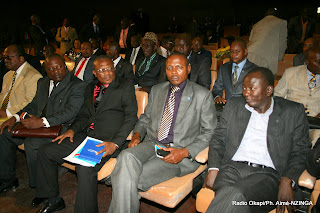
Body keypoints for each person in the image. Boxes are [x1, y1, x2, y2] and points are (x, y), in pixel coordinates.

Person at [108, 53, 217, 213]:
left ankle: (114, 177)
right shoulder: (158, 90)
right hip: (152, 143)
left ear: (188, 69)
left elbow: (210, 132)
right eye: (169, 68)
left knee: (126, 178)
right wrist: (137, 134)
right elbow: (145, 118)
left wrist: (185, 152)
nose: (174, 72)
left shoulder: (202, 95)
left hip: (177, 152)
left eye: (179, 67)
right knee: (126, 156)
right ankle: (116, 177)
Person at [34, 55, 137, 213]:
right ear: (94, 73)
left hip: (109, 140)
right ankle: (53, 199)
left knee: (84, 168)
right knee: (46, 151)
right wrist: (72, 130)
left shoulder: (125, 86)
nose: (107, 73)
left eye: (110, 68)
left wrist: (115, 143)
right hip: (86, 135)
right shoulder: (90, 87)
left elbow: (131, 117)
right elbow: (84, 115)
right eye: (102, 70)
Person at [204, 67, 310, 213]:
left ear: (268, 90)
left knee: (234, 196)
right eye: (244, 88)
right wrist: (213, 168)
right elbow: (218, 139)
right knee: (233, 199)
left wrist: (288, 178)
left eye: (252, 89)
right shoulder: (234, 105)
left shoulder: (292, 111)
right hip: (231, 169)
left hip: (267, 175)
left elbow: (301, 150)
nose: (246, 93)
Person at [0, 54, 86, 194]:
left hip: (61, 127)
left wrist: (42, 122)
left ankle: (40, 187)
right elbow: (33, 105)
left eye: (59, 67)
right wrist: (15, 117)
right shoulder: (43, 82)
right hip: (39, 125)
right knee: (4, 132)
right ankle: (7, 179)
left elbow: (70, 112)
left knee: (32, 144)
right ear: (46, 70)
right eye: (51, 69)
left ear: (65, 66)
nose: (56, 71)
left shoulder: (78, 85)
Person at [275, 46, 320, 146]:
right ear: (307, 62)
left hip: (315, 124)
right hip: (291, 121)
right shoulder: (291, 73)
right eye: (318, 61)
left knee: (318, 137)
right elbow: (277, 98)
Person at [0, 45, 42, 118]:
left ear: (21, 59)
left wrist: (7, 112)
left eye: (9, 58)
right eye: (4, 58)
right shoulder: (8, 75)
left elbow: (30, 103)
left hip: (16, 117)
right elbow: (2, 96)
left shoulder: (33, 76)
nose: (5, 61)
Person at [212, 38, 258, 104]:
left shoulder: (254, 70)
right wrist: (217, 97)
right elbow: (216, 89)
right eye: (231, 51)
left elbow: (256, 94)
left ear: (245, 52)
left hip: (246, 109)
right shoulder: (224, 68)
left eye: (237, 51)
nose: (233, 54)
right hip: (227, 107)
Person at [247, 8, 287, 74]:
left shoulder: (257, 24)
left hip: (249, 52)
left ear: (265, 15)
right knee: (265, 80)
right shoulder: (281, 22)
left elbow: (250, 39)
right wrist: (280, 57)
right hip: (265, 57)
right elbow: (282, 42)